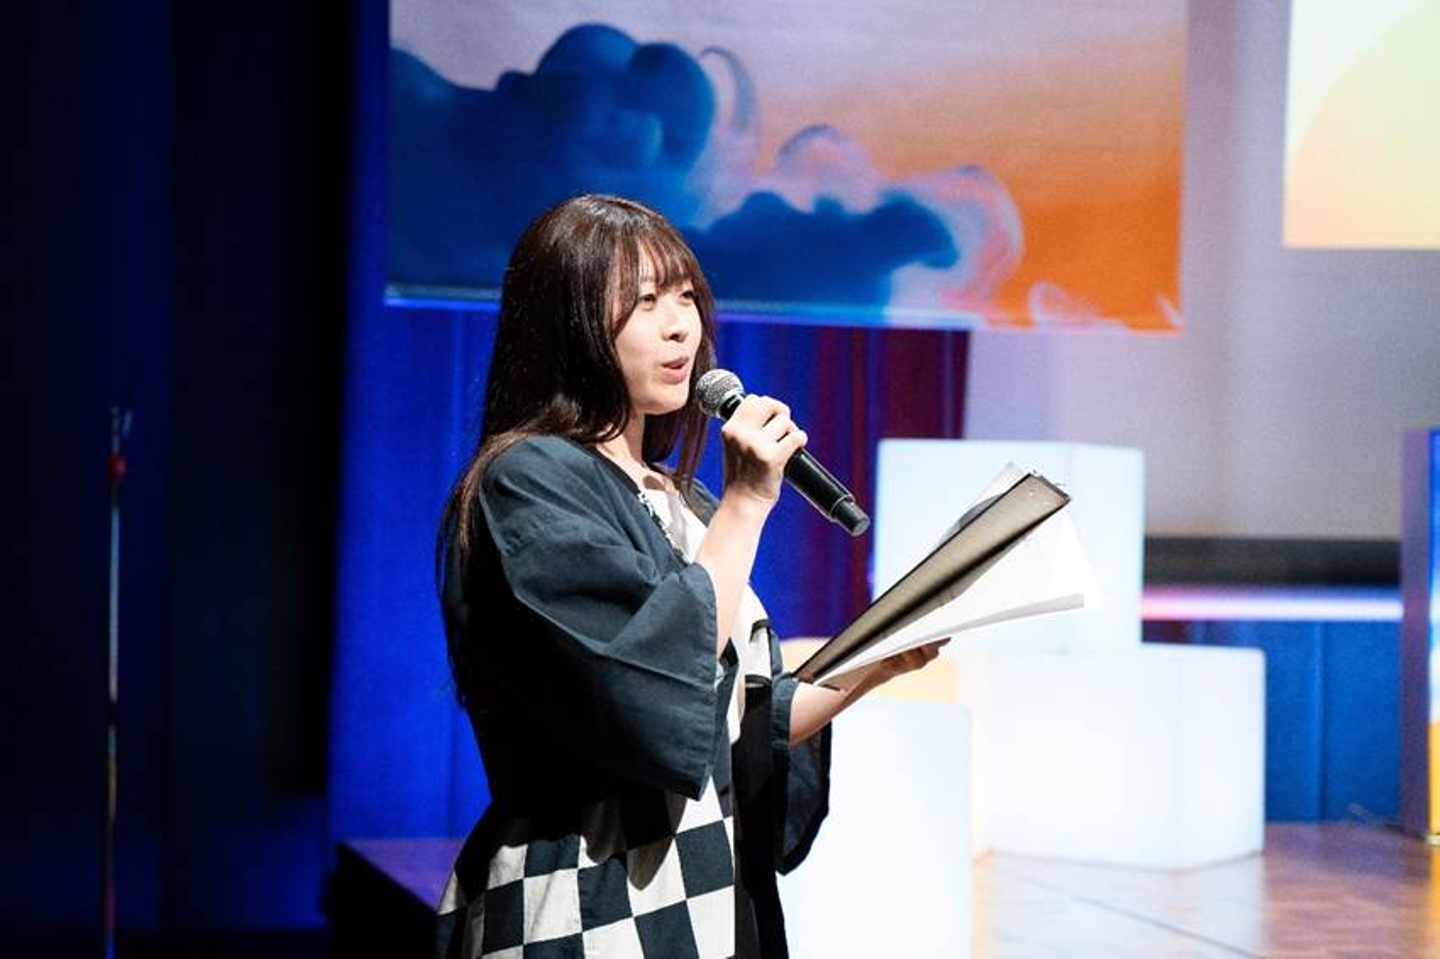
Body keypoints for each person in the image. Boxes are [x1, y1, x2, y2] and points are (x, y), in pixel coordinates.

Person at [434, 194, 942, 958]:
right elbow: (653, 693)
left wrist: (879, 659)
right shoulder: (530, 480)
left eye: (685, 297)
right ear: (568, 323)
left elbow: (731, 722)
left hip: (705, 887)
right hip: (587, 893)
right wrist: (747, 502)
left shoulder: (684, 499)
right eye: (644, 302)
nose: (680, 326)